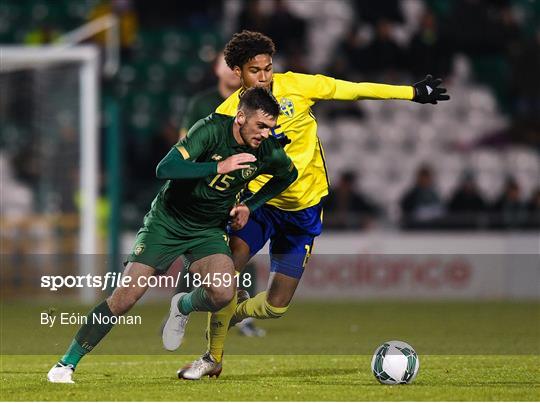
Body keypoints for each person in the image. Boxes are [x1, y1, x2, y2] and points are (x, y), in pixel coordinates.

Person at [164, 30, 449, 380]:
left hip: (304, 210)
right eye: (256, 71)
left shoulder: (298, 86)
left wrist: (413, 92)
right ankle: (212, 356)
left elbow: (354, 88)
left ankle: (221, 310)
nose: (265, 77)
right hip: (259, 206)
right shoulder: (227, 114)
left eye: (269, 68)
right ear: (238, 73)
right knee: (226, 273)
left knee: (275, 306)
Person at [47, 87, 298, 383]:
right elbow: (165, 167)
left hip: (207, 230)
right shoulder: (209, 130)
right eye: (261, 126)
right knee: (125, 299)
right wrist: (218, 166)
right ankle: (65, 365)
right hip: (167, 223)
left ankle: (182, 305)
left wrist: (248, 206)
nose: (266, 134)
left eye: (271, 128)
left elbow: (288, 175)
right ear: (241, 117)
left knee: (223, 293)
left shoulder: (267, 150)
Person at [175, 52, 266, 337]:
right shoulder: (201, 104)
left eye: (234, 68)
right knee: (195, 249)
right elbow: (184, 143)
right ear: (216, 69)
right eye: (224, 66)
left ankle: (241, 317)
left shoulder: (254, 103)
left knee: (242, 246)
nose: (230, 72)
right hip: (206, 187)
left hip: (240, 187)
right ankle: (179, 307)